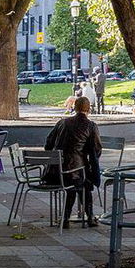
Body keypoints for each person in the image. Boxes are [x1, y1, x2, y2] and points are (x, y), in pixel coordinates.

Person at [45, 95, 102, 228]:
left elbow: (48, 144)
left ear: (75, 108)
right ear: (88, 109)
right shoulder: (91, 126)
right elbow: (96, 150)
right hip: (75, 171)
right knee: (84, 183)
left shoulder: (62, 123)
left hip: (53, 173)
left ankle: (66, 218)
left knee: (77, 182)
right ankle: (89, 216)